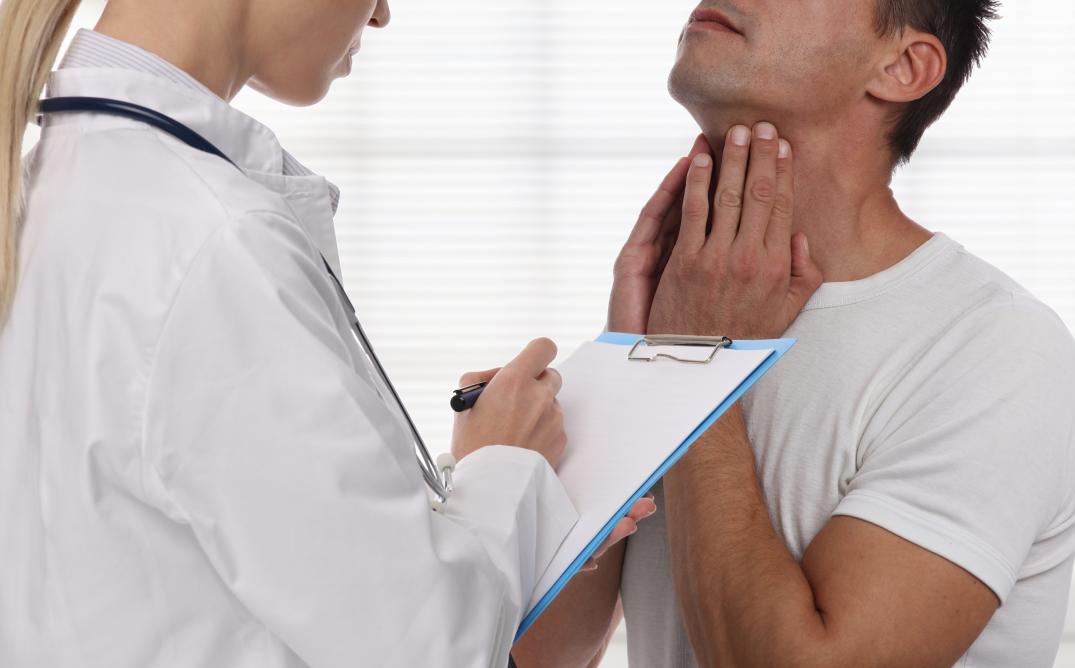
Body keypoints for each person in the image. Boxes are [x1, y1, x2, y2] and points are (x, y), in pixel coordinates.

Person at [0, 0, 657, 666]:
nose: (381, 16)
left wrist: (486, 506)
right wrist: (508, 467)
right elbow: (426, 647)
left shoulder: (58, 192)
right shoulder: (214, 245)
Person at [514, 1, 1075, 667]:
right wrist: (625, 378)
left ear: (904, 66)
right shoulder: (683, 309)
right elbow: (545, 656)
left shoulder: (999, 352)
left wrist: (692, 364)